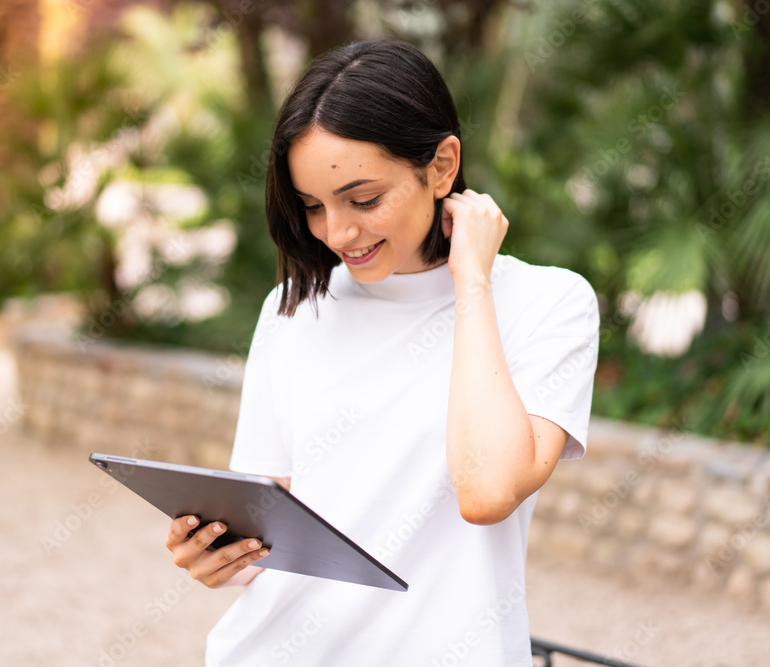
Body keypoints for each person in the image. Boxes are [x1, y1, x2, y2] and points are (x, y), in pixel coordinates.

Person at [166, 39, 599, 667]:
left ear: (443, 166)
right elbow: (272, 534)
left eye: (363, 199)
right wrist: (216, 560)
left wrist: (471, 280)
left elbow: (487, 491)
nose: (337, 232)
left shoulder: (549, 303)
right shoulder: (293, 307)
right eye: (313, 206)